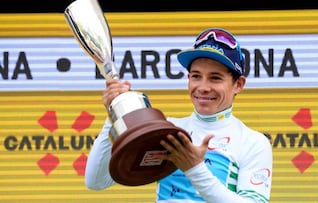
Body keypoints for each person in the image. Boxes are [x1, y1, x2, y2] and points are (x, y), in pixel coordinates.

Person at [85, 27, 273, 203]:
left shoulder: (253, 142)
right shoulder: (166, 131)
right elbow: (96, 181)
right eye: (196, 76)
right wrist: (114, 112)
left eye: (215, 78)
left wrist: (195, 169)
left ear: (238, 84)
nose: (203, 87)